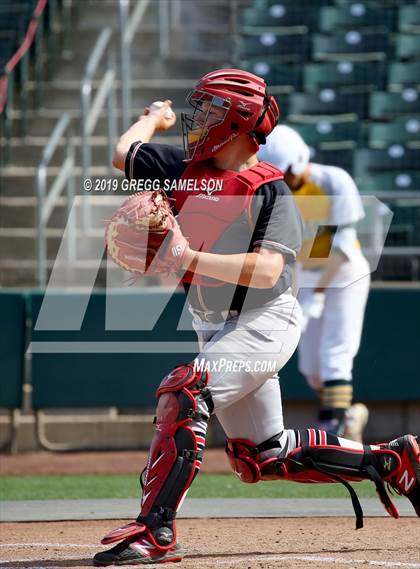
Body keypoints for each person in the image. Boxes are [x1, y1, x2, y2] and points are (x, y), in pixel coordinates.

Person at [94, 70, 420, 566]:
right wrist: (151, 121)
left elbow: (268, 270)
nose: (197, 119)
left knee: (186, 387)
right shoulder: (185, 169)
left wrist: (185, 257)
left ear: (239, 123)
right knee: (260, 456)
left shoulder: (270, 190)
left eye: (210, 112)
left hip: (266, 322)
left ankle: (155, 528)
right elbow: (123, 153)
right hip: (216, 325)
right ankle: (394, 461)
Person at [259, 125, 371, 442]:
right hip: (310, 274)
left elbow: (338, 249)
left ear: (297, 160)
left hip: (346, 274)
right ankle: (347, 414)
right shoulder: (279, 192)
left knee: (335, 355)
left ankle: (334, 434)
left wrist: (317, 295)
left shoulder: (333, 181)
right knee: (311, 368)